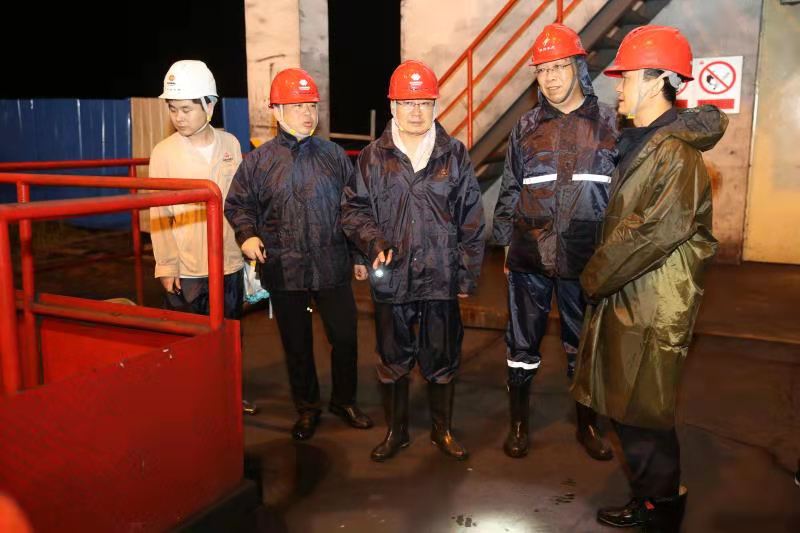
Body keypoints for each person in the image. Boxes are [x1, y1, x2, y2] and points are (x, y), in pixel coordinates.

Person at [569, 26, 728, 531]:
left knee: (644, 417)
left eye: (628, 77)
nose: (618, 86)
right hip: (631, 295)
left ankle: (661, 514)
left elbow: (651, 232)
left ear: (658, 80)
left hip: (652, 302)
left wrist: (592, 277)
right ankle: (649, 500)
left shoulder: (676, 153)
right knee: (630, 410)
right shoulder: (644, 142)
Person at [341, 60, 485, 462]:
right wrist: (372, 243)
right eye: (407, 102)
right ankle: (397, 432)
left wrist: (466, 275)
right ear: (393, 106)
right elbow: (353, 209)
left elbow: (472, 217)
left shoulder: (454, 154)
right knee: (392, 358)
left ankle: (442, 431)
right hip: (393, 276)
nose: (416, 111)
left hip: (440, 276)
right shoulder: (372, 157)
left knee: (442, 355)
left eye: (424, 102)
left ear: (435, 105)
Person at [224, 67, 372, 441]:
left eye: (312, 106)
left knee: (345, 337)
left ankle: (344, 401)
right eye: (297, 106)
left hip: (331, 263)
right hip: (284, 266)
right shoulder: (258, 162)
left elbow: (353, 209)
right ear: (276, 111)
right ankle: (307, 408)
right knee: (297, 343)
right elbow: (238, 204)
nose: (308, 113)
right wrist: (247, 234)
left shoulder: (334, 155)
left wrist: (358, 257)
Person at [492, 23, 617, 461]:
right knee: (520, 345)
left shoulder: (609, 125)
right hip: (529, 256)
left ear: (579, 68)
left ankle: (588, 426)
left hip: (586, 256)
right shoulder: (526, 126)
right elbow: (511, 187)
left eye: (559, 67)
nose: (550, 78)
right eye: (542, 70)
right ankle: (519, 424)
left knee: (583, 345)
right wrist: (506, 244)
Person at [149, 59, 257, 416]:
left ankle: (228, 394)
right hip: (188, 267)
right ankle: (190, 403)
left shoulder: (230, 144)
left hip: (228, 262)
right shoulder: (164, 153)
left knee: (229, 334)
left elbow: (241, 201)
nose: (179, 117)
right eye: (173, 109)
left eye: (186, 109)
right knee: (187, 340)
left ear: (209, 105)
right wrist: (167, 264)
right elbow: (159, 213)